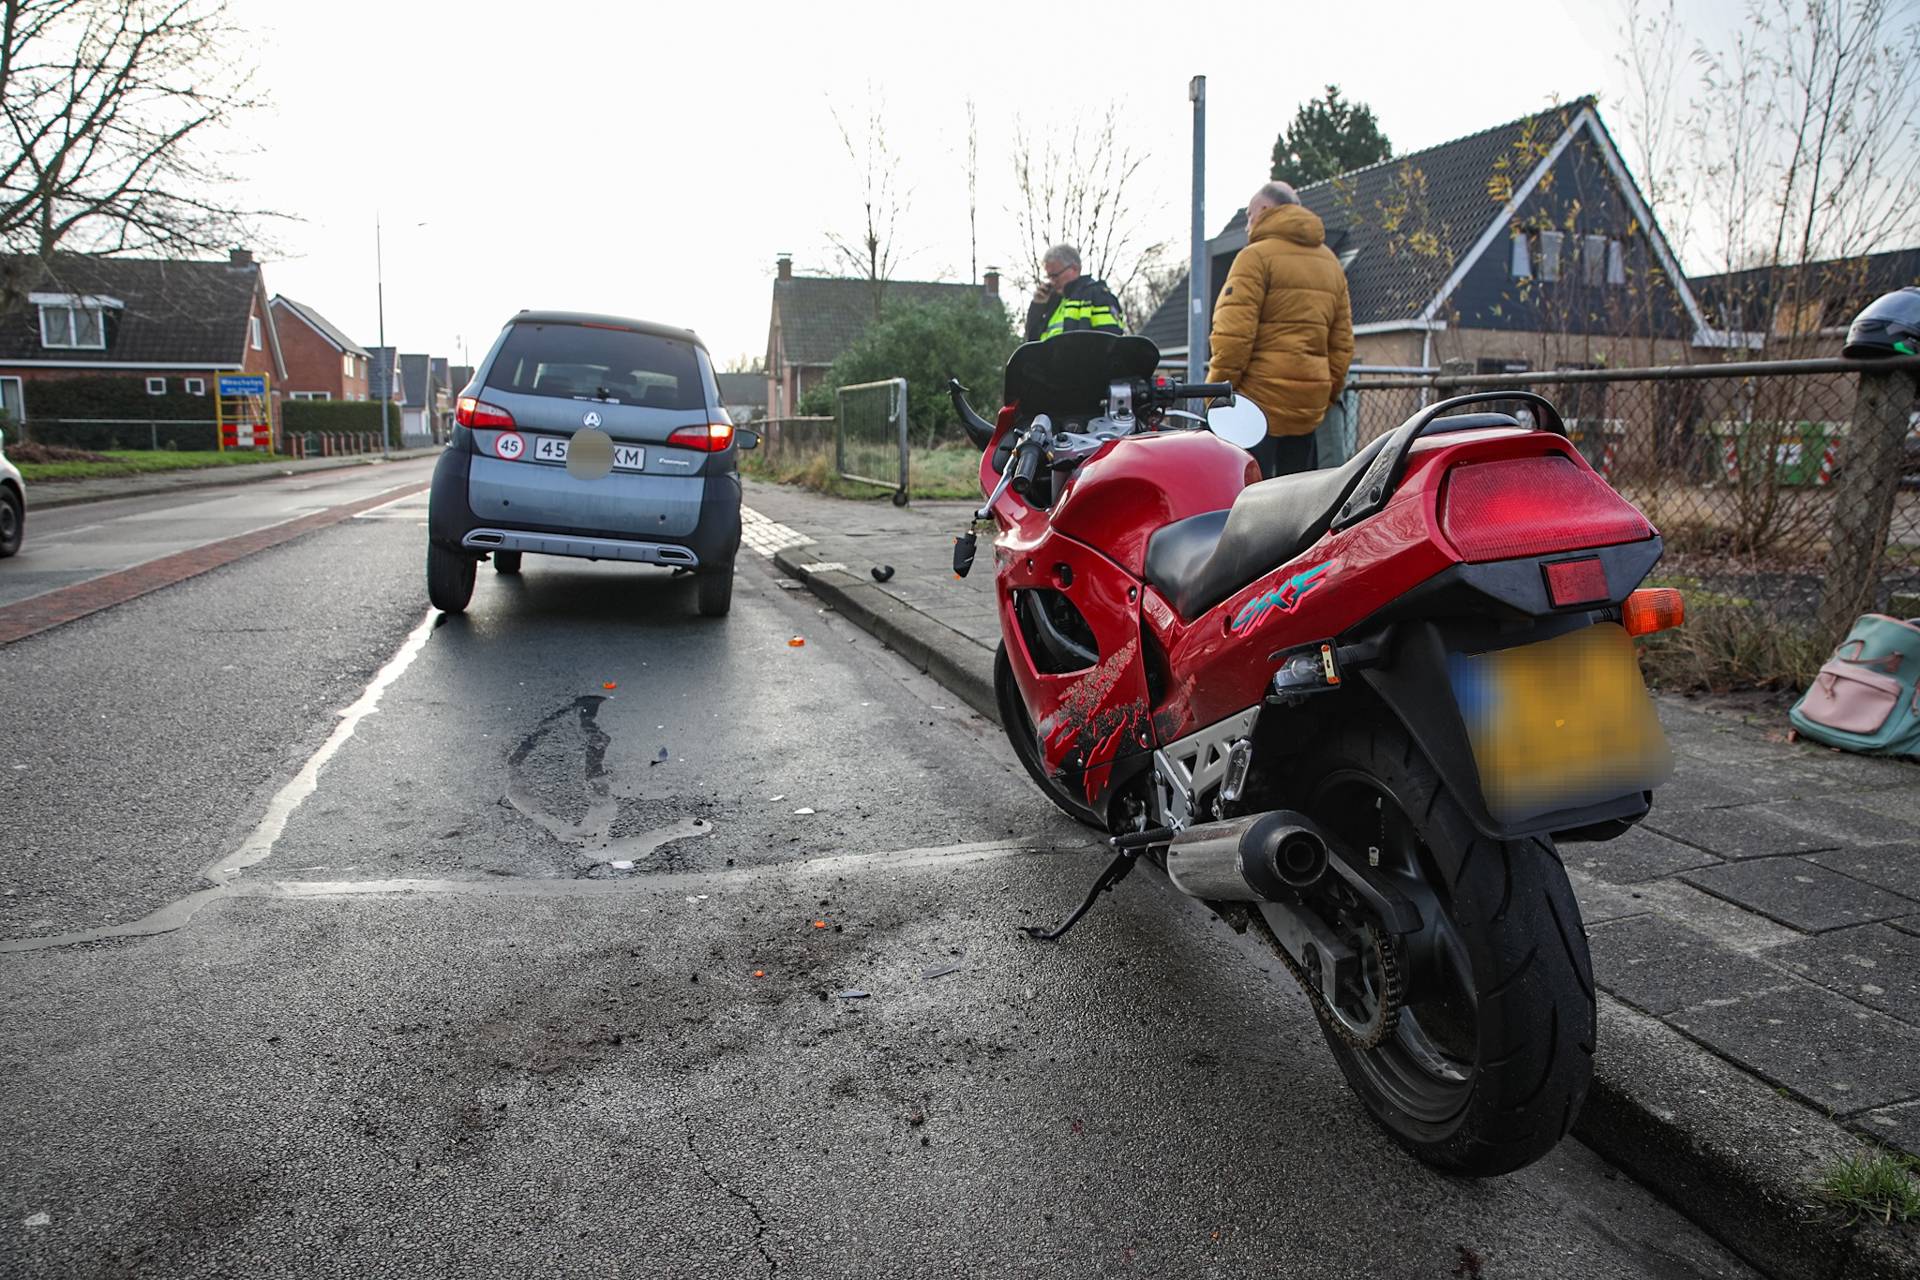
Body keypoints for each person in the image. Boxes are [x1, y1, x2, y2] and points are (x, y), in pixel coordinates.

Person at [1206, 181, 1354, 478]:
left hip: (1256, 408)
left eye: (1249, 215)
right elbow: (1342, 344)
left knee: (1245, 498)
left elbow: (1233, 337)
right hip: (1308, 410)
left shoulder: (1255, 257)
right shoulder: (1331, 262)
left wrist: (1217, 393)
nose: (1248, 226)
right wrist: (1324, 394)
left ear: (1263, 210)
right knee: (1299, 504)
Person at [1024, 244, 1125, 343]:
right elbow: (1032, 343)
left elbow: (1110, 343)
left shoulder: (1098, 295)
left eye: (1055, 275)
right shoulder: (1053, 302)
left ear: (1075, 268)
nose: (1052, 282)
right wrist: (1037, 306)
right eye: (1049, 277)